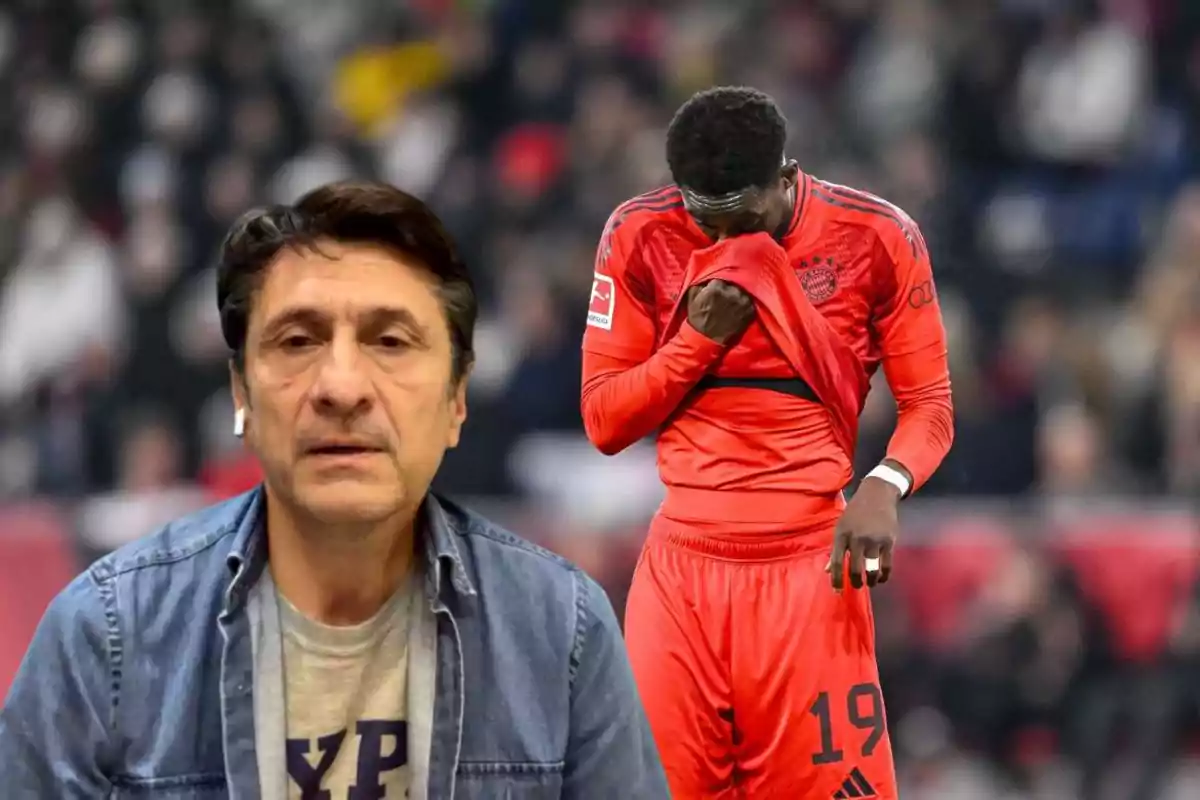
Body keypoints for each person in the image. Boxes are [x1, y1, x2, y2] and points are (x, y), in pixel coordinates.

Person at [0, 180, 668, 798]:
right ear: (241, 394)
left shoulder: (561, 631)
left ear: (457, 399)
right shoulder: (107, 635)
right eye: (297, 341)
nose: (341, 387)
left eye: (391, 341)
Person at [581, 87, 954, 799]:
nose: (725, 245)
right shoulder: (638, 234)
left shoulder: (876, 237)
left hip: (807, 573)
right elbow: (605, 421)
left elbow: (931, 404)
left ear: (786, 178)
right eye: (704, 221)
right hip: (680, 580)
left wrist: (886, 482)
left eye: (742, 220)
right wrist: (696, 342)